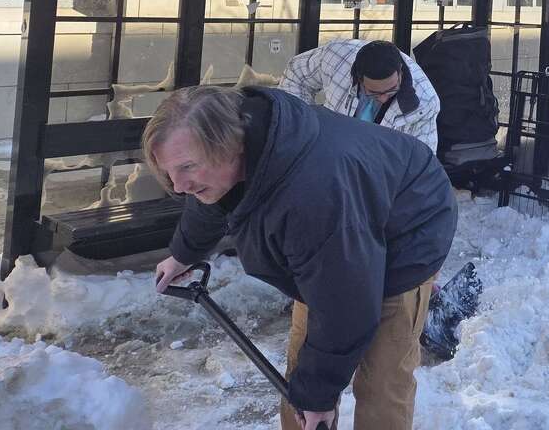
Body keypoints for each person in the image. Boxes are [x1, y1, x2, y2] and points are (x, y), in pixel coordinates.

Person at [147, 85, 457, 430]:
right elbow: (212, 200)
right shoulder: (237, 151)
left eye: (187, 167)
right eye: (170, 172)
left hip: (408, 231)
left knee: (382, 377)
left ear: (230, 145)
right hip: (343, 232)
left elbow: (345, 302)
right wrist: (183, 253)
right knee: (306, 373)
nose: (177, 186)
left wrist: (318, 398)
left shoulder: (313, 194)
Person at [279, 39, 439, 151]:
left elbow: (422, 165)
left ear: (401, 74)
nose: (383, 98)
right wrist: (300, 127)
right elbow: (296, 75)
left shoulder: (425, 102)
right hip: (330, 154)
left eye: (391, 90)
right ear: (358, 78)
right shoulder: (336, 57)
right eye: (373, 92)